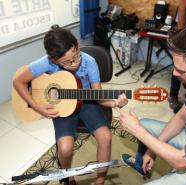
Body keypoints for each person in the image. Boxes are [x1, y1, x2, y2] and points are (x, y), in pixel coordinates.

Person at [13, 25, 128, 185]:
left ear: (77, 46)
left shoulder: (89, 62)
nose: (74, 63)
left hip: (87, 101)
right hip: (62, 107)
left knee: (106, 137)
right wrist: (36, 106)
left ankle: (100, 180)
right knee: (65, 148)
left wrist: (115, 102)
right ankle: (68, 177)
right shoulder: (47, 63)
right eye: (66, 63)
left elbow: (99, 97)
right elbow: (18, 81)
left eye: (76, 56)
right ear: (54, 60)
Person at [118, 19, 186, 185]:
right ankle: (141, 165)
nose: (174, 73)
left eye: (181, 70)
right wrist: (152, 150)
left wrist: (138, 131)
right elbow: (181, 117)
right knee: (146, 124)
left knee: (142, 130)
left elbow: (181, 160)